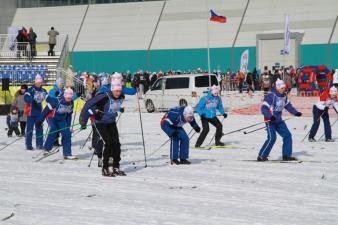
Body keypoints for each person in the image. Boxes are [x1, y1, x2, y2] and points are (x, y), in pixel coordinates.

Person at [79, 80, 125, 177]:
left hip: (111, 122)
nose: (118, 93)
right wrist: (83, 119)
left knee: (116, 144)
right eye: (116, 91)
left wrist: (120, 109)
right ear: (112, 90)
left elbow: (113, 106)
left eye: (119, 91)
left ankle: (116, 167)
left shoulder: (121, 97)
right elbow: (88, 104)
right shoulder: (103, 96)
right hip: (100, 122)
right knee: (108, 143)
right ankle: (105, 167)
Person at [257, 79, 302, 161]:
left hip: (278, 120)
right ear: (278, 88)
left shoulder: (284, 96)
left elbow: (288, 106)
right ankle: (261, 156)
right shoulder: (271, 96)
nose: (284, 89)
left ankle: (286, 155)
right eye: (282, 88)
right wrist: (270, 117)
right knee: (272, 138)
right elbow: (263, 109)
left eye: (284, 88)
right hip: (270, 120)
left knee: (287, 135)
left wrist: (296, 113)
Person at [37, 88, 77, 159]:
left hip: (62, 119)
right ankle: (47, 149)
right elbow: (45, 111)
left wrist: (68, 126)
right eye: (67, 98)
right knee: (54, 129)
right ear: (64, 95)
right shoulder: (56, 101)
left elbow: (69, 115)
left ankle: (67, 153)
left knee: (67, 134)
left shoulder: (71, 103)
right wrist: (40, 120)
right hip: (51, 117)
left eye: (70, 98)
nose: (69, 99)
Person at [24, 75, 48, 150]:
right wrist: (31, 98)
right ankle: (28, 145)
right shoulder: (30, 90)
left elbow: (48, 98)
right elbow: (26, 98)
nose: (40, 83)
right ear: (35, 81)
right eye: (38, 82)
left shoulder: (43, 90)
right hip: (31, 113)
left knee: (39, 129)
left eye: (41, 82)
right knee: (30, 129)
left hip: (39, 113)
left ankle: (39, 145)